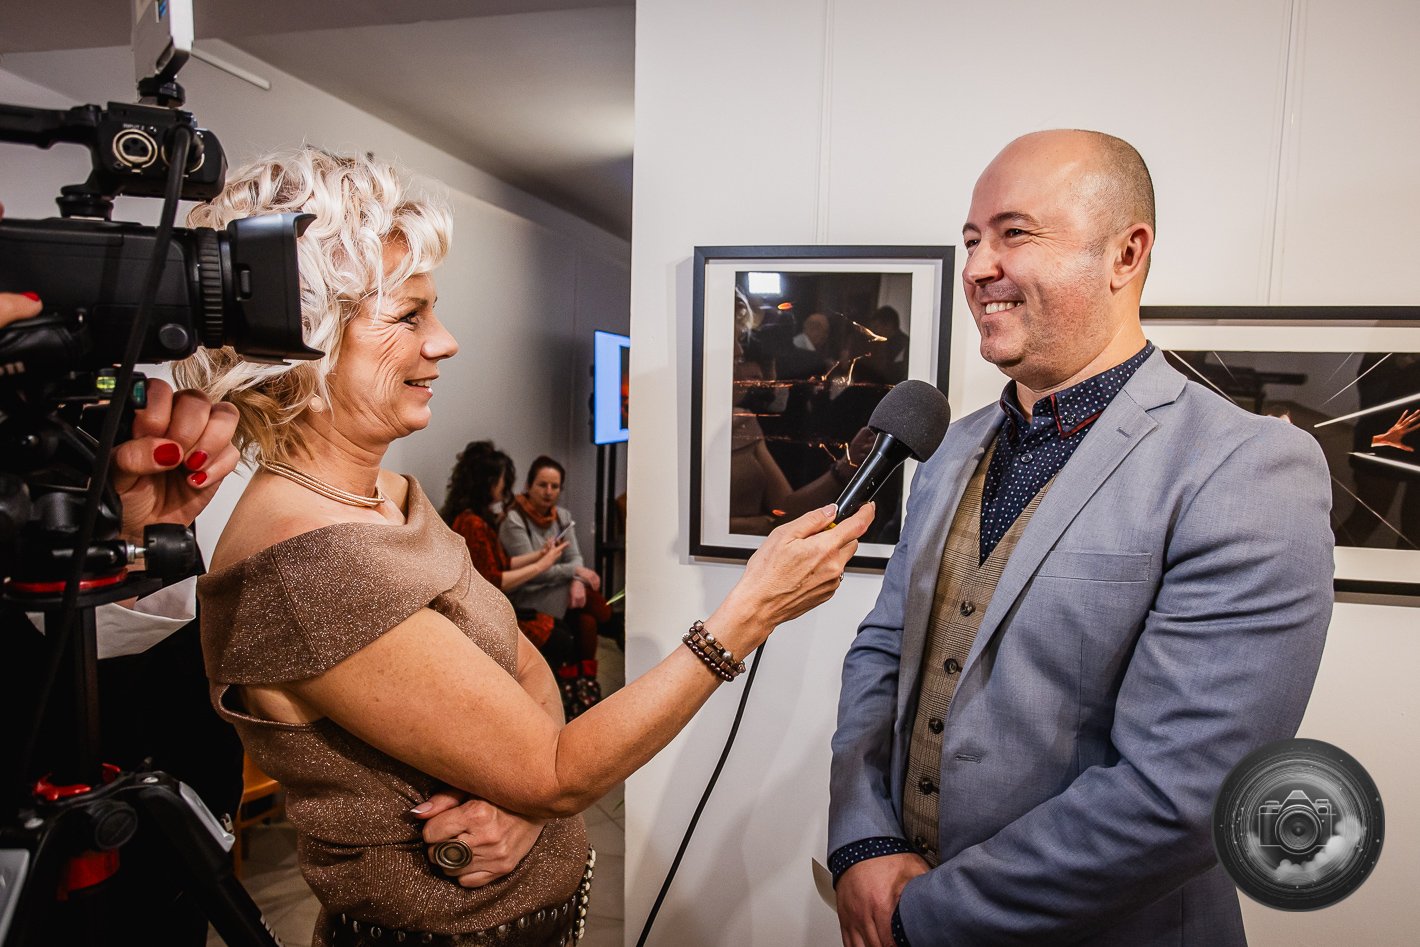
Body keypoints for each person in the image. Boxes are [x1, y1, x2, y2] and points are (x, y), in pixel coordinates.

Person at [175, 147, 873, 947]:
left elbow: (525, 667)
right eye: (408, 316)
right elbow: (557, 768)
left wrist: (526, 801)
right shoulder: (310, 567)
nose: (445, 341)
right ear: (304, 345)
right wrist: (748, 613)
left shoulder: (385, 496)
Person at [828, 130, 1334, 947]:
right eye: (971, 239)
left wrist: (924, 915)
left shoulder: (1246, 467)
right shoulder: (949, 449)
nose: (977, 266)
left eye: (1014, 233)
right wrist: (862, 841)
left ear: (1125, 254)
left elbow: (1183, 792)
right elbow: (883, 649)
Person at [442, 441, 580, 686]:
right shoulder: (473, 523)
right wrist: (542, 564)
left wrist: (539, 555)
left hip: (493, 605)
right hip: (484, 614)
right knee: (561, 638)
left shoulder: (477, 518)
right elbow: (494, 580)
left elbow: (502, 563)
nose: (505, 485)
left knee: (567, 628)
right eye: (502, 479)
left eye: (554, 486)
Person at [499, 455, 609, 716]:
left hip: (559, 590)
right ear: (529, 485)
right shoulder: (514, 519)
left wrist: (577, 580)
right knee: (600, 609)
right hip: (528, 594)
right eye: (542, 485)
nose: (549, 492)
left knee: (587, 622)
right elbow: (533, 573)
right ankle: (581, 688)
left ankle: (579, 688)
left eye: (555, 486)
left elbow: (576, 557)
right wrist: (575, 573)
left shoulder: (563, 516)